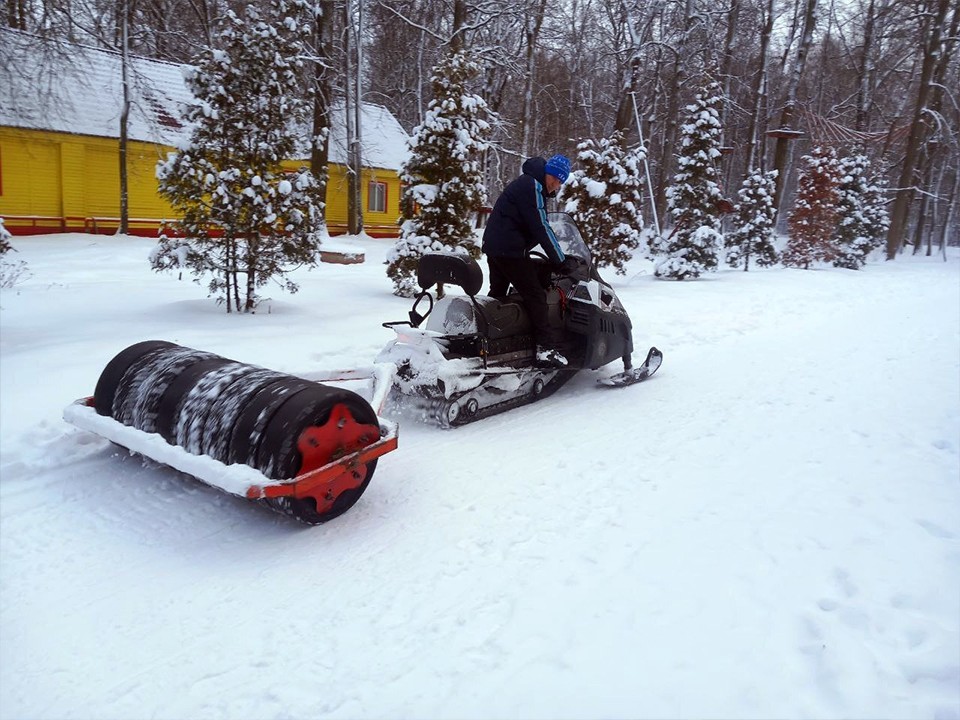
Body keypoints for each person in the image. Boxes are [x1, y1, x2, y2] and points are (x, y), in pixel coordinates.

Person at [481, 154, 574, 368]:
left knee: (498, 295)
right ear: (548, 173)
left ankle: (489, 341)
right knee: (536, 296)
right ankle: (545, 350)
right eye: (555, 179)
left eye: (560, 182)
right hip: (509, 250)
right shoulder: (533, 186)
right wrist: (560, 261)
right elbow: (541, 227)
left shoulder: (528, 183)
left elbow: (528, 224)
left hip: (496, 247)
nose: (556, 185)